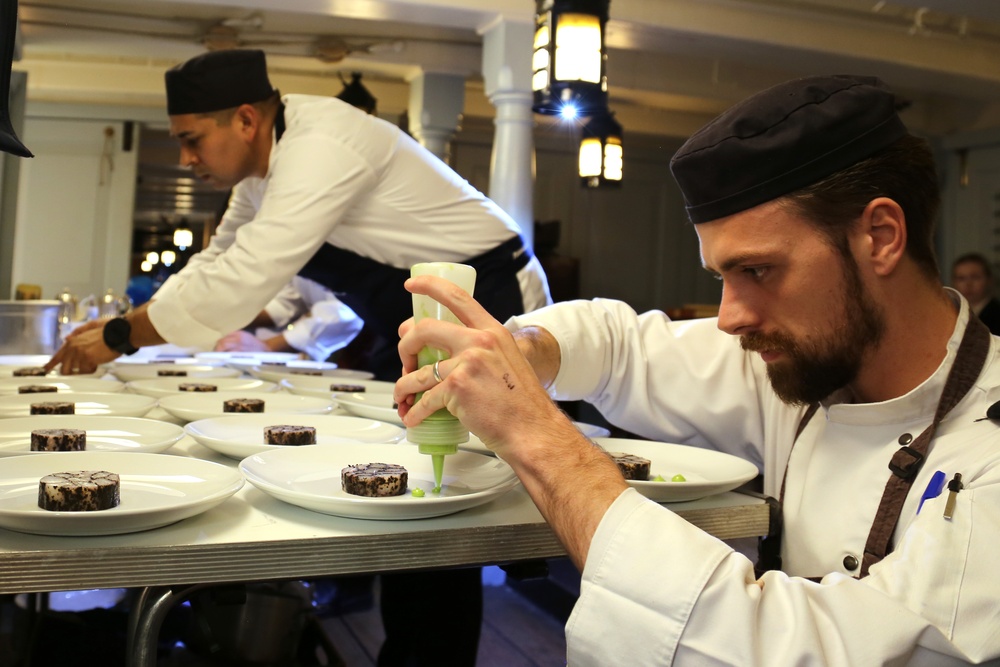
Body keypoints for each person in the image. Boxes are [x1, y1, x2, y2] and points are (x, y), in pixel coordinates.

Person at [393, 75, 1000, 665]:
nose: (730, 318)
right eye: (722, 279)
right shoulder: (809, 365)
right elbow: (618, 346)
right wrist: (523, 349)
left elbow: (793, 651)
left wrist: (537, 437)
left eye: (757, 271)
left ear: (881, 236)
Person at [47, 48, 551, 666]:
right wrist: (124, 322)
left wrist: (124, 336)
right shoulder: (262, 174)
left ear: (245, 121)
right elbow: (218, 260)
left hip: (486, 298)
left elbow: (248, 274)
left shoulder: (322, 144)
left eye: (190, 139)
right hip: (413, 307)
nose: (185, 158)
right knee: (421, 474)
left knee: (452, 492)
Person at [214, 275, 363, 361]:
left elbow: (347, 310)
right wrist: (227, 316)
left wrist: (268, 346)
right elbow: (287, 302)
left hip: (360, 349)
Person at [951, 252, 1000, 335]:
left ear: (989, 280)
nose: (968, 284)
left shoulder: (997, 315)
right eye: (961, 278)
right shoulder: (952, 314)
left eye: (975, 277)